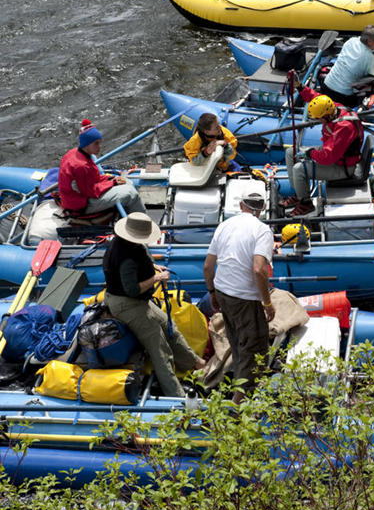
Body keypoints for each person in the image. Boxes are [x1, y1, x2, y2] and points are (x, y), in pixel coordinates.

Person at [103, 212, 206, 397]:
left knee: (169, 327)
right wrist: (157, 278)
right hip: (127, 304)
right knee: (160, 348)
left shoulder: (129, 244)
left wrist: (154, 267)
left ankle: (194, 363)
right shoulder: (125, 258)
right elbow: (132, 290)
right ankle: (176, 395)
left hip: (138, 302)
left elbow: (143, 258)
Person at [203, 191, 275, 404]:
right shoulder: (262, 230)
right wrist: (267, 302)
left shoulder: (225, 225)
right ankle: (239, 403)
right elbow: (259, 270)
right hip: (244, 297)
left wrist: (212, 292)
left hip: (223, 292)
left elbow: (208, 266)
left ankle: (238, 382)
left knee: (236, 339)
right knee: (254, 347)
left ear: (241, 205)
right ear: (261, 209)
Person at [283, 87, 364, 216]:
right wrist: (300, 87)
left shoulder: (344, 128)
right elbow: (316, 98)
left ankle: (305, 204)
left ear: (326, 116)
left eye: (319, 119)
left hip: (342, 167)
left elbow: (328, 157)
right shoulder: (333, 108)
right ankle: (299, 195)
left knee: (299, 168)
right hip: (335, 153)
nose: (318, 121)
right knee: (290, 152)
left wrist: (310, 153)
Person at [58, 119, 146, 218]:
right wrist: (113, 182)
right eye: (96, 143)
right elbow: (91, 192)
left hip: (80, 196)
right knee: (131, 194)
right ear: (87, 144)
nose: (99, 147)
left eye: (99, 143)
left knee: (127, 182)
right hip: (81, 204)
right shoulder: (81, 166)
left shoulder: (75, 153)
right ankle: (144, 223)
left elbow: (92, 180)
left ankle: (130, 216)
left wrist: (109, 179)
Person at [321, 25, 374, 107]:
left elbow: (363, 43)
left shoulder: (351, 41)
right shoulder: (369, 58)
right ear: (369, 42)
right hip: (342, 96)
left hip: (326, 85)